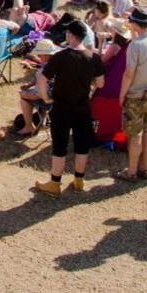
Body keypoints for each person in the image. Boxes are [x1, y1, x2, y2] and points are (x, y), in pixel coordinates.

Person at [34, 21, 104, 196]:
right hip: (83, 106)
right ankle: (79, 179)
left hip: (61, 106)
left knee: (60, 145)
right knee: (82, 144)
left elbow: (42, 79)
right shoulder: (93, 57)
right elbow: (101, 83)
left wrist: (45, 98)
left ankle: (55, 183)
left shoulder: (60, 56)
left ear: (70, 35)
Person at [116, 6, 147, 182]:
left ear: (135, 23)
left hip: (136, 94)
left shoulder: (135, 46)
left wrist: (122, 94)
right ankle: (145, 168)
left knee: (135, 134)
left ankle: (131, 171)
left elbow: (129, 73)